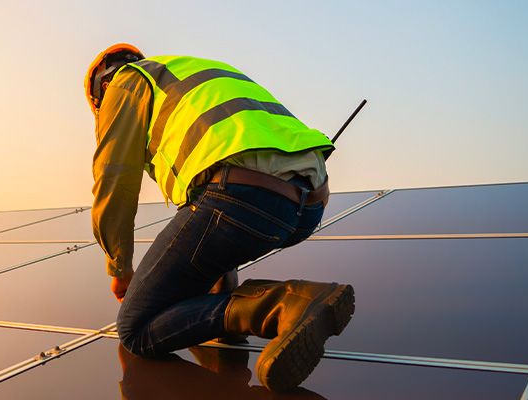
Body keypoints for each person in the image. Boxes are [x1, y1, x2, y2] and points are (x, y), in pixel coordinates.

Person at [86, 43, 356, 391]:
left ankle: (282, 304)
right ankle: (240, 317)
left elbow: (114, 180)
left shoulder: (124, 82)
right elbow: (211, 233)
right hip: (307, 204)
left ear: (100, 89)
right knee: (208, 221)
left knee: (136, 329)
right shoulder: (194, 73)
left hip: (243, 193)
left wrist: (119, 268)